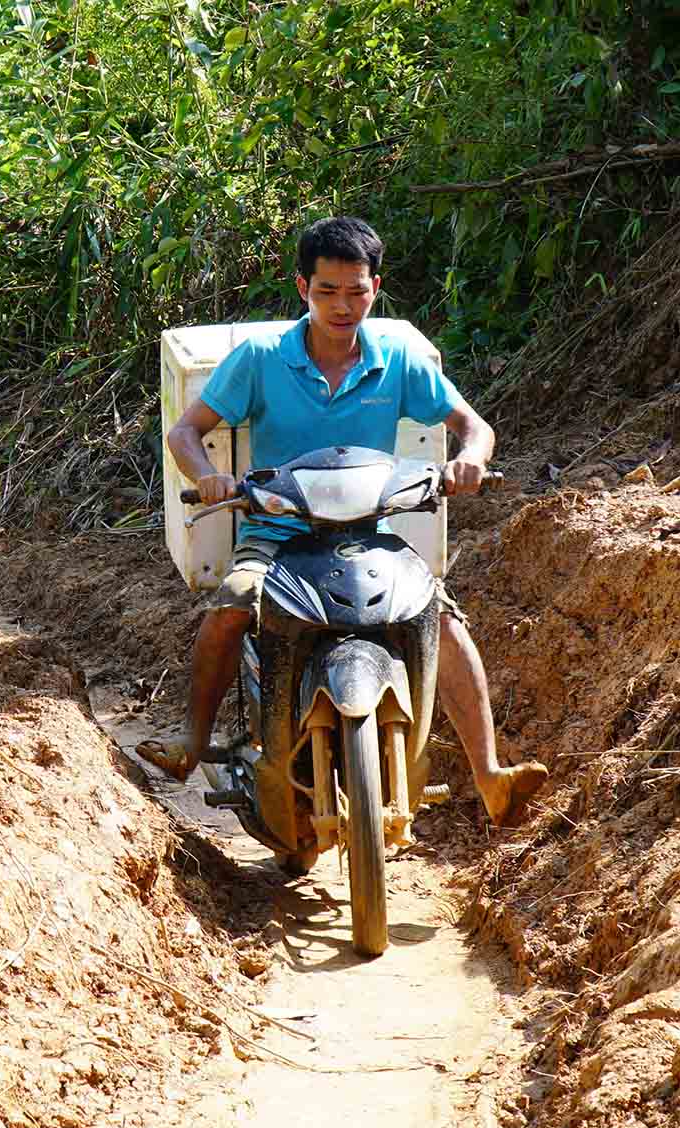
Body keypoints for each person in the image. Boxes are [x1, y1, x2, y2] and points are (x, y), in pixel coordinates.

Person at [137, 216, 547, 827]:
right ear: (302, 288)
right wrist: (208, 478)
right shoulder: (261, 359)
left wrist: (469, 461)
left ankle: (489, 775)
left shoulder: (399, 361)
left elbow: (473, 426)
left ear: (374, 287)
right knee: (231, 606)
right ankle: (192, 743)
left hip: (370, 536)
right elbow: (185, 432)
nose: (343, 305)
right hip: (276, 534)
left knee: (442, 617)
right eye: (328, 291)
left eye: (356, 291)